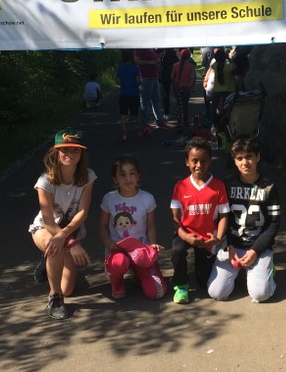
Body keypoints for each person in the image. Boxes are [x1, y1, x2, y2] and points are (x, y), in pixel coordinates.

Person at [29, 129, 96, 320]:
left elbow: (82, 213)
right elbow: (48, 220)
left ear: (81, 153)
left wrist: (69, 239)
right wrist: (71, 243)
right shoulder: (45, 181)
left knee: (68, 289)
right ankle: (55, 297)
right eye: (64, 149)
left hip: (69, 230)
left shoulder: (88, 176)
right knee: (55, 247)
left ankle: (49, 264)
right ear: (56, 152)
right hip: (45, 229)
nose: (70, 154)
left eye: (75, 150)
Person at [208, 138, 280, 303]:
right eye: (239, 158)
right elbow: (222, 219)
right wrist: (228, 245)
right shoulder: (228, 185)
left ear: (257, 157)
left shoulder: (269, 186)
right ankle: (245, 272)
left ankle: (267, 269)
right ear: (234, 161)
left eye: (249, 157)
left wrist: (255, 251)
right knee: (216, 292)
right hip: (233, 245)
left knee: (261, 294)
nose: (244, 162)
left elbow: (274, 223)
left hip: (258, 246)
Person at [170, 137, 230, 304]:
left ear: (210, 162)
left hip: (208, 238)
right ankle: (181, 284)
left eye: (204, 161)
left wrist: (218, 237)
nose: (199, 165)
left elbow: (224, 215)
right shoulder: (180, 186)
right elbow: (174, 218)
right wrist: (185, 236)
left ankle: (204, 269)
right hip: (186, 233)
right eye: (194, 161)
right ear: (187, 162)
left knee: (203, 283)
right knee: (177, 250)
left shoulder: (218, 186)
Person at [98, 155, 166, 300]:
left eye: (132, 173)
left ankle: (140, 272)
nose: (128, 178)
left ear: (138, 176)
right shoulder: (109, 198)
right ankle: (117, 281)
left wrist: (152, 244)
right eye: (123, 174)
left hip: (140, 249)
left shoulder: (147, 198)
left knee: (156, 292)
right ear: (115, 179)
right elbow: (102, 226)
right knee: (118, 263)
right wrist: (108, 242)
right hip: (118, 249)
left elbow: (151, 226)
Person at [134, 48, 167, 129]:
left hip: (154, 77)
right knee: (145, 101)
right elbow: (136, 61)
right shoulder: (139, 48)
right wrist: (151, 62)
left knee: (156, 100)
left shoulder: (151, 48)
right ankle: (144, 122)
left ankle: (159, 120)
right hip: (145, 77)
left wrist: (158, 59)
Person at [116, 50, 144, 140]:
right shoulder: (135, 68)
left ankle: (124, 133)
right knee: (136, 113)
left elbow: (118, 82)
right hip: (134, 93)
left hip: (123, 93)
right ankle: (140, 131)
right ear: (131, 57)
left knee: (123, 114)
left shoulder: (120, 68)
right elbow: (138, 81)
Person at [171, 49, 197, 137]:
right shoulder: (191, 66)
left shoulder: (175, 65)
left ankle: (179, 123)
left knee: (179, 105)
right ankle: (185, 123)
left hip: (178, 88)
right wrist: (192, 87)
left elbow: (172, 76)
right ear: (189, 57)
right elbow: (194, 77)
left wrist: (176, 80)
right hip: (187, 88)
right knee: (185, 105)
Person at [208, 48, 234, 127]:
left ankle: (213, 123)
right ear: (224, 57)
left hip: (216, 90)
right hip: (227, 90)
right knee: (226, 108)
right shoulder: (229, 67)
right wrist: (228, 58)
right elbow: (235, 66)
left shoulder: (215, 65)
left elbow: (213, 64)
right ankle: (225, 123)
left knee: (214, 107)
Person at [158, 48, 179, 117]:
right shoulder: (174, 56)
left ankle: (166, 112)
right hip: (174, 75)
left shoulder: (163, 56)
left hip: (165, 75)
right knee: (177, 93)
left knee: (165, 94)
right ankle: (180, 109)